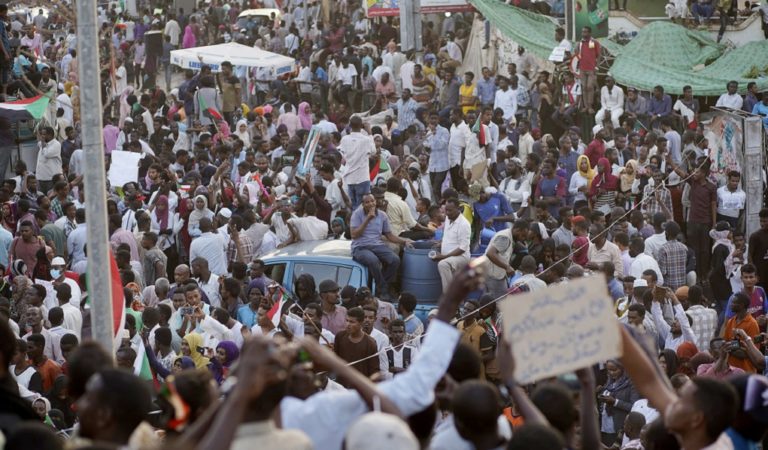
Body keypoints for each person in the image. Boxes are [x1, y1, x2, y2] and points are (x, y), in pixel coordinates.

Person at [350, 192, 413, 300]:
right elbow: (354, 235)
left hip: (377, 245)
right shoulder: (357, 214)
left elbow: (389, 235)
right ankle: (383, 289)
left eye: (372, 201)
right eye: (367, 202)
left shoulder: (382, 215)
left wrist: (404, 241)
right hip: (360, 247)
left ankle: (381, 286)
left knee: (395, 260)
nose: (370, 204)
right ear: (363, 204)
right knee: (373, 261)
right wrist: (367, 219)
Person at [333, 307, 379, 386]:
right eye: (347, 321)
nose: (348, 325)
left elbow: (374, 371)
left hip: (361, 387)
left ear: (361, 323)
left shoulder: (370, 343)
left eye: (352, 322)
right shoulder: (340, 336)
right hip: (341, 385)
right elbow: (335, 359)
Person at [433, 198, 471, 293]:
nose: (447, 213)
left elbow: (462, 248)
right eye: (446, 210)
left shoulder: (464, 224)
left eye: (450, 210)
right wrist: (441, 242)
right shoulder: (448, 218)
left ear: (458, 209)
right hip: (450, 257)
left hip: (461, 257)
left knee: (443, 264)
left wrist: (444, 257)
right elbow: (448, 235)